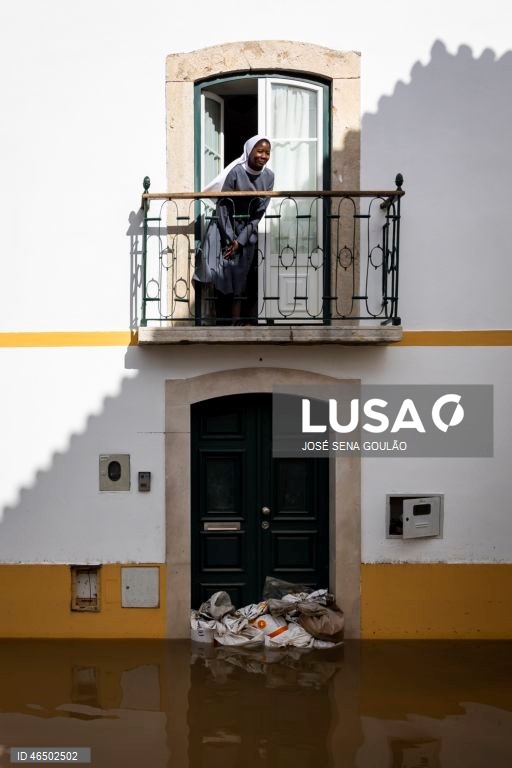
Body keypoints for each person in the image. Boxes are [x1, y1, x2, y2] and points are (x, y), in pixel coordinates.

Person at [194, 135, 274, 324]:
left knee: (241, 275)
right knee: (222, 273)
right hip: (225, 228)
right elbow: (223, 206)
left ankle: (236, 320)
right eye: (260, 151)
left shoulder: (269, 177)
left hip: (247, 232)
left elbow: (259, 212)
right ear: (249, 152)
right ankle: (220, 319)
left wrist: (241, 241)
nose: (263, 156)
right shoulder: (236, 172)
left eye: (267, 152)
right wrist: (230, 238)